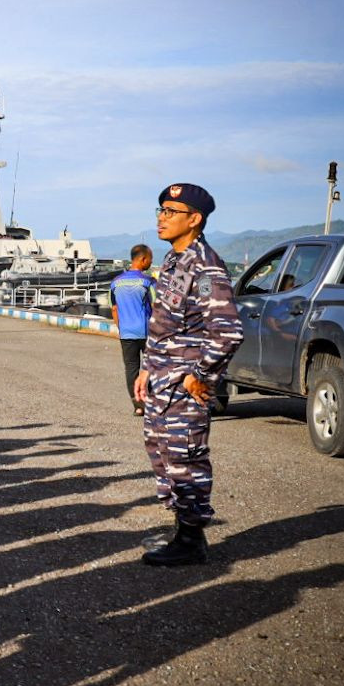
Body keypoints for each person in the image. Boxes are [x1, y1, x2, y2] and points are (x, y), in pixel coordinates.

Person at [133, 183, 243, 566]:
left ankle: (191, 540)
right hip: (161, 381)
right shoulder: (175, 260)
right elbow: (164, 324)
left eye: (170, 211)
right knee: (164, 458)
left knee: (186, 459)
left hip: (182, 386)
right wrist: (146, 368)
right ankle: (181, 530)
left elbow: (227, 330)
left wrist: (199, 375)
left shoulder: (206, 267)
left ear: (194, 219)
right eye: (160, 209)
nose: (161, 218)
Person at [110, 244, 156, 416]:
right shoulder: (148, 282)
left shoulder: (115, 283)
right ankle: (152, 402)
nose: (151, 262)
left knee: (131, 368)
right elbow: (155, 305)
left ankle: (138, 406)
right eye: (150, 259)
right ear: (143, 259)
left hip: (126, 332)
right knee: (152, 366)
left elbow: (114, 309)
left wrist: (121, 328)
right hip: (147, 331)